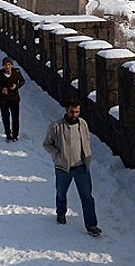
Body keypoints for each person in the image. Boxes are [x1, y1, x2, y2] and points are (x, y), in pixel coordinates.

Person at [43, 100, 102, 236]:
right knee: (61, 193)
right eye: (72, 111)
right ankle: (61, 213)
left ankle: (91, 225)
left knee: (87, 197)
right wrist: (58, 156)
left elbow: (86, 141)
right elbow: (47, 144)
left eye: (77, 112)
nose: (74, 114)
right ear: (66, 110)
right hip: (63, 167)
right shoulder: (56, 126)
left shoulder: (83, 124)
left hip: (81, 167)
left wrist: (87, 156)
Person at [0, 57, 25, 142]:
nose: (8, 66)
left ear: (12, 65)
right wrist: (1, 89)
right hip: (4, 99)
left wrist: (16, 86)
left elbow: (22, 81)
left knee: (15, 117)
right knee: (5, 117)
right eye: (6, 65)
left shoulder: (16, 72)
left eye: (9, 64)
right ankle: (8, 134)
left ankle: (15, 135)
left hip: (14, 98)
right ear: (3, 66)